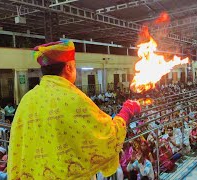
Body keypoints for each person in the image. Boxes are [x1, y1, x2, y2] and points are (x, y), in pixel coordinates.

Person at [8, 40, 141, 179]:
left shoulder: (26, 100)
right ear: (69, 68)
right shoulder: (74, 99)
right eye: (75, 66)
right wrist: (127, 111)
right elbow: (107, 136)